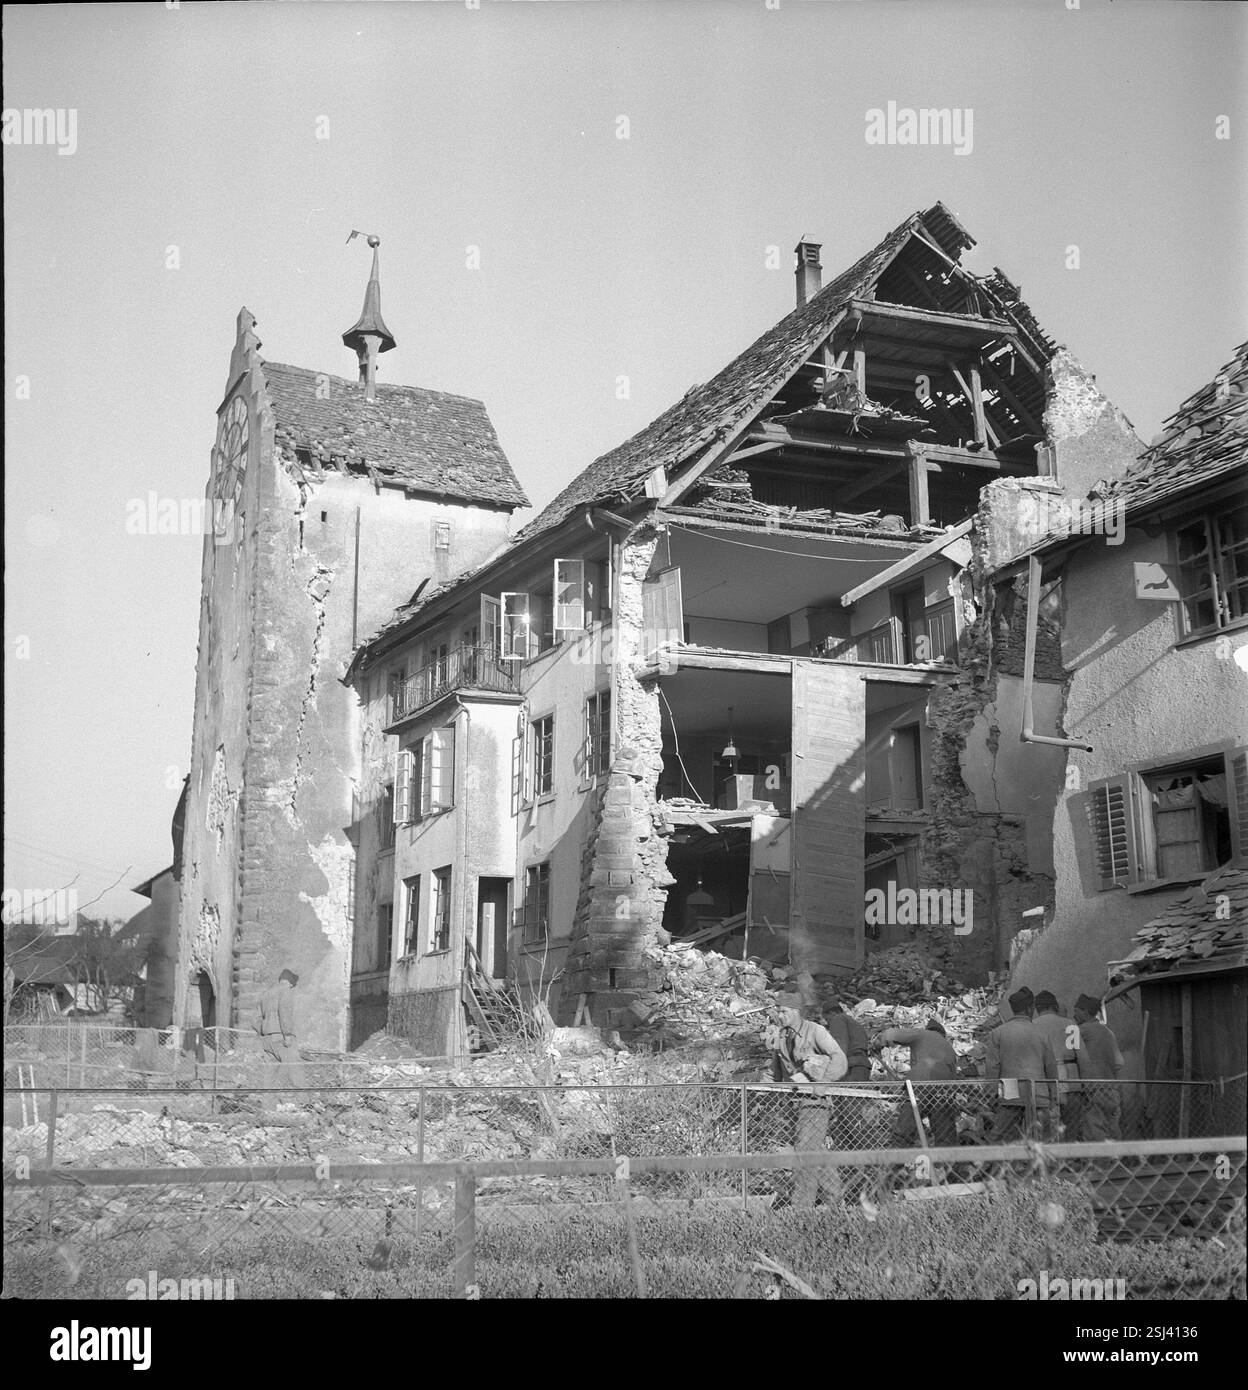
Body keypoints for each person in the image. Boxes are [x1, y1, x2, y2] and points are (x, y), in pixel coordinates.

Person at [766, 1002, 847, 1207]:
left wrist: (824, 1083)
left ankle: (802, 1208)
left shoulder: (816, 1031)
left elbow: (840, 1059)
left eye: (783, 1011)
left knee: (804, 1152)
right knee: (813, 1151)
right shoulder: (782, 1037)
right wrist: (754, 1088)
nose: (780, 1015)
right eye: (778, 1012)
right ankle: (835, 1201)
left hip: (814, 1102)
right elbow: (774, 1073)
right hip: (794, 1103)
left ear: (796, 1011)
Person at [982, 988, 1057, 1142]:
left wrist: (990, 1094)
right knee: (1042, 1139)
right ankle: (1039, 1165)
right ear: (1030, 1008)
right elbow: (1050, 1066)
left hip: (1010, 1091)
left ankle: (1001, 1165)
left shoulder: (998, 1033)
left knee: (1004, 1138)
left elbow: (992, 1067)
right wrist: (1053, 1094)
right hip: (1038, 1092)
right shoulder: (1042, 1033)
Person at [878, 1018, 960, 1146]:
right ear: (943, 1034)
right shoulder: (949, 1049)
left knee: (905, 1127)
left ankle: (895, 1160)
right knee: (944, 1134)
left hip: (919, 1086)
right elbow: (954, 1079)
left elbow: (891, 1034)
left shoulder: (923, 1034)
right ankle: (944, 1164)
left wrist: (878, 1043)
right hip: (943, 1091)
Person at [1073, 994, 1125, 1141]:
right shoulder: (1108, 1032)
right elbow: (1119, 1063)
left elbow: (1066, 1052)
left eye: (1076, 1011)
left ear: (1084, 1011)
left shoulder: (1080, 1030)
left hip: (1093, 1089)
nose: (1073, 1015)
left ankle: (1097, 1163)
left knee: (1093, 1131)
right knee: (1112, 1130)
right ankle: (1115, 1161)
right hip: (1112, 1089)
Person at [1032, 991, 1079, 1137]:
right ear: (1055, 1006)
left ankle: (1049, 1157)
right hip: (1072, 1080)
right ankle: (1071, 1157)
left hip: (1044, 1083)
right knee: (1073, 1125)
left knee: (1046, 1128)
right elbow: (1082, 1056)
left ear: (1036, 1008)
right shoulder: (1070, 1025)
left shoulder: (1032, 1026)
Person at [256, 969, 303, 1088]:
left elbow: (255, 1018)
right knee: (294, 1069)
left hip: (267, 1040)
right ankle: (303, 1103)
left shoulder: (265, 994)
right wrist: (287, 1035)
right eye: (292, 986)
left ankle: (268, 1105)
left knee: (269, 1075)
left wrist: (263, 1032)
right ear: (289, 983)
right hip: (280, 1037)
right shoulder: (285, 990)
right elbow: (285, 1013)